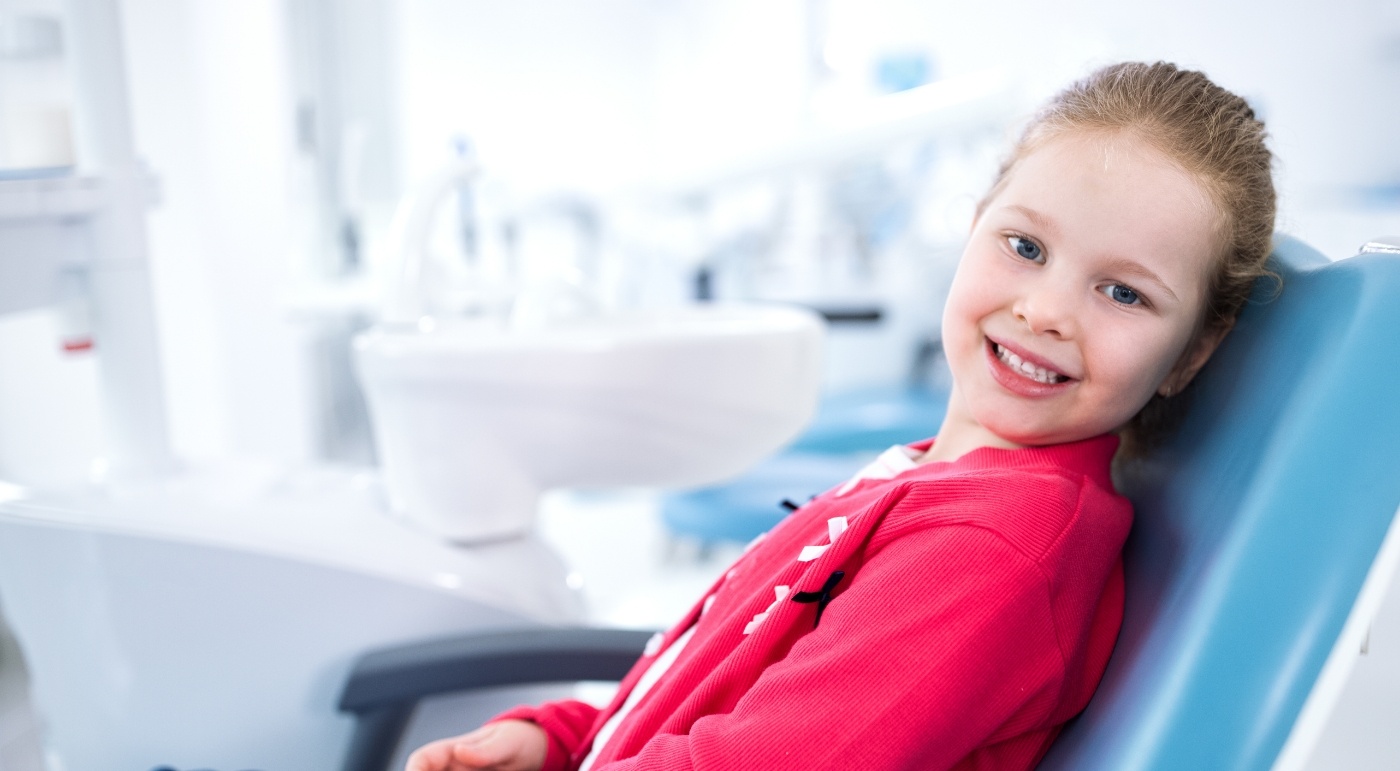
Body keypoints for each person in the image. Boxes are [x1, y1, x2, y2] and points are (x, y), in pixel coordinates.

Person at [405, 60, 1277, 771]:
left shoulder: (994, 554)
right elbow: (725, 664)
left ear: (1192, 352)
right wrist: (559, 740)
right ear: (973, 228)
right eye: (1025, 246)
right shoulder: (931, 476)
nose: (1046, 309)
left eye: (1122, 291)